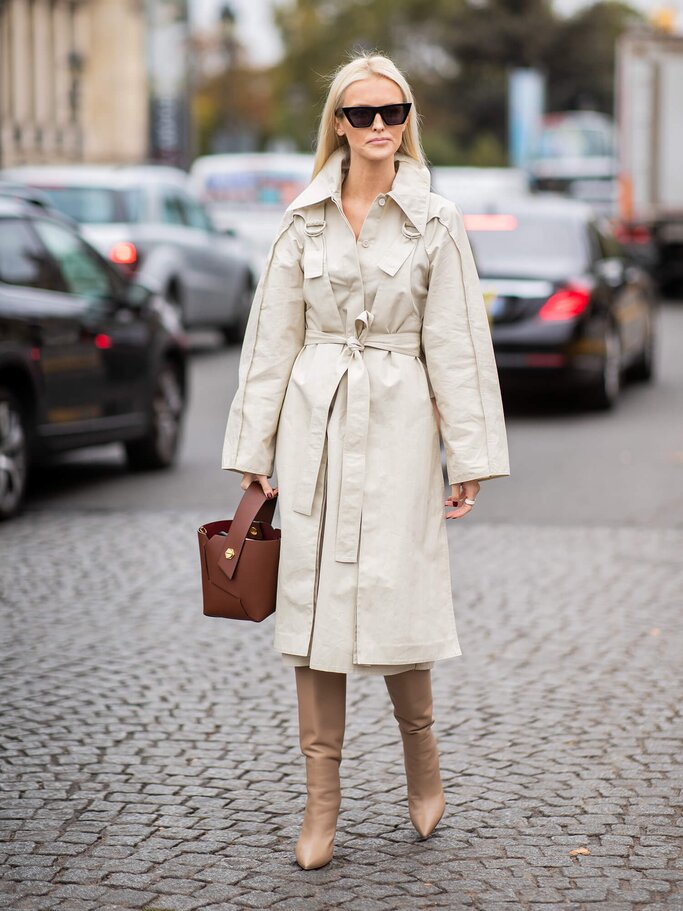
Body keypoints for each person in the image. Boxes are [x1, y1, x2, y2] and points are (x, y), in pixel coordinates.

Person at [222, 52, 510, 870]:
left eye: (394, 111)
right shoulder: (301, 218)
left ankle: (423, 762)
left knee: (395, 598)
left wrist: (469, 455)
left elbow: (457, 341)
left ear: (408, 116)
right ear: (338, 125)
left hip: (398, 427)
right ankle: (322, 808)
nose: (380, 126)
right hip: (314, 425)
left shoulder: (435, 219)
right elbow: (268, 340)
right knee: (312, 619)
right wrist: (253, 449)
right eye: (362, 114)